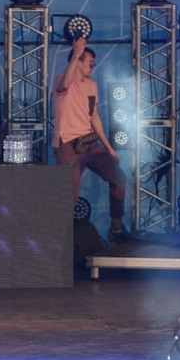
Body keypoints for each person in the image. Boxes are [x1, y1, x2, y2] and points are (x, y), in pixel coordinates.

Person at [52, 37, 132, 242]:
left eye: (94, 63)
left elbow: (93, 116)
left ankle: (116, 227)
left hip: (88, 142)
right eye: (89, 63)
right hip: (68, 144)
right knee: (70, 192)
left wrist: (108, 147)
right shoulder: (62, 81)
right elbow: (66, 83)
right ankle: (60, 239)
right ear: (78, 62)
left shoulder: (92, 85)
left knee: (118, 177)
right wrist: (76, 53)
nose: (93, 67)